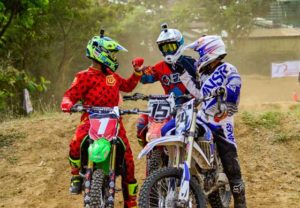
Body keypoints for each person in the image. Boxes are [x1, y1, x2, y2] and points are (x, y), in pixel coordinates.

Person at [163, 35, 247, 208]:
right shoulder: (205, 74)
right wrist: (183, 73)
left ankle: (240, 200)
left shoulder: (227, 68)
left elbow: (235, 83)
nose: (198, 59)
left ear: (209, 52)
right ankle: (170, 172)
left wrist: (227, 97)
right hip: (202, 115)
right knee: (169, 129)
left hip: (220, 118)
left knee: (229, 154)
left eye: (200, 54)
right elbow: (199, 94)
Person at [60, 34, 143, 208]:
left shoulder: (112, 76)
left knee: (128, 160)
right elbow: (70, 95)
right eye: (111, 54)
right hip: (90, 120)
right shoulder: (84, 76)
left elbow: (127, 86)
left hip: (114, 122)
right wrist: (68, 104)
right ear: (100, 53)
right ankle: (76, 175)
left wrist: (136, 72)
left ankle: (131, 201)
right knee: (76, 142)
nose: (114, 58)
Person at [134, 23, 198, 147]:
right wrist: (139, 71)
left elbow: (202, 82)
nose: (168, 51)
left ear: (179, 44)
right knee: (142, 122)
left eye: (171, 46)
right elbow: (146, 78)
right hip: (168, 106)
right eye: (164, 48)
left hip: (189, 106)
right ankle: (152, 153)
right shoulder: (159, 67)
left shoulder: (191, 63)